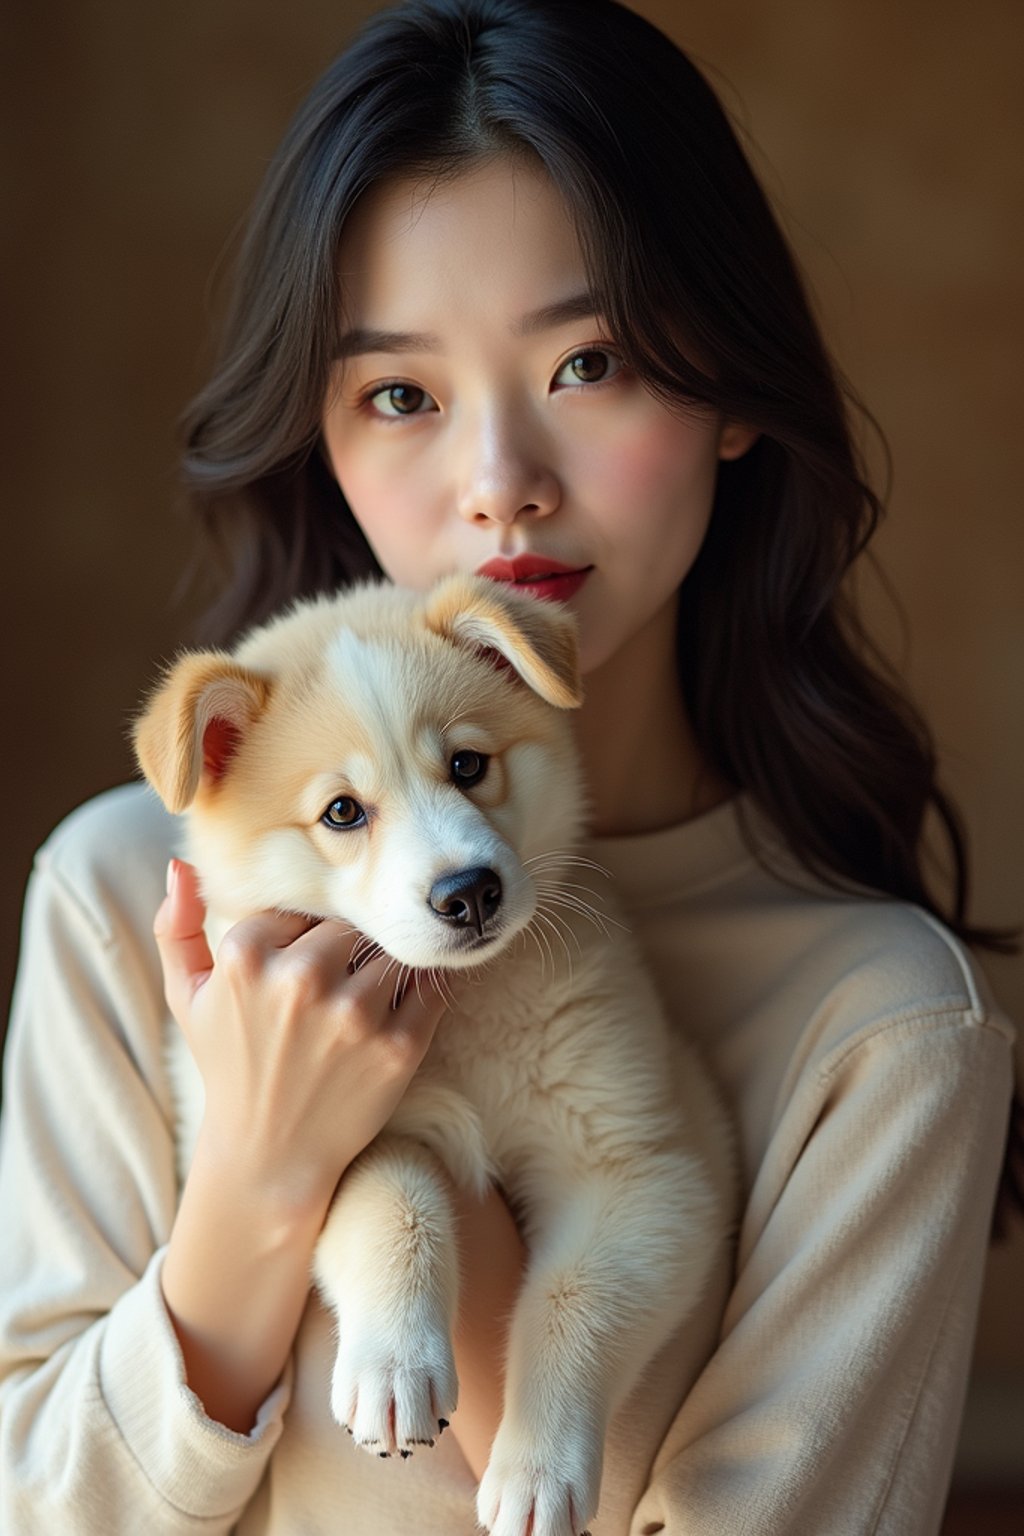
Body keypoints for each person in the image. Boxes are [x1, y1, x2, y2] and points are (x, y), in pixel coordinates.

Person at [0, 1, 1017, 1532]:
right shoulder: (125, 897)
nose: (501, 490)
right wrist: (261, 1184)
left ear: (730, 388)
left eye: (589, 361)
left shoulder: (885, 1030)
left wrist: (379, 1156)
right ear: (324, 437)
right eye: (400, 393)